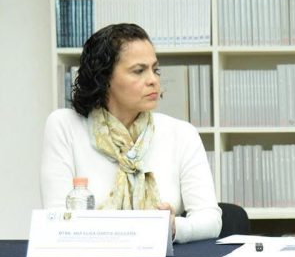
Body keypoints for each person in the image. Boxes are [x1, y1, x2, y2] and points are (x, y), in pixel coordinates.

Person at [40, 23, 221, 243]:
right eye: (139, 71)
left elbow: (210, 219)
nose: (153, 80)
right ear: (104, 79)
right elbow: (56, 220)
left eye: (155, 70)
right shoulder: (64, 126)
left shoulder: (182, 133)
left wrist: (173, 227)